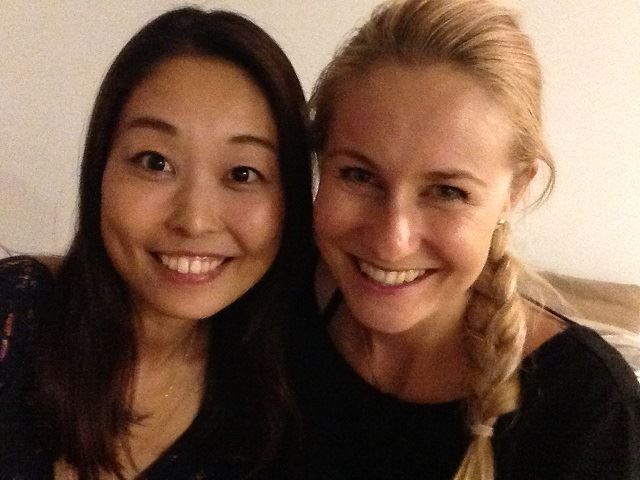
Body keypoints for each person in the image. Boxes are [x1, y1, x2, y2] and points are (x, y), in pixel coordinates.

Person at [290, 0, 640, 479]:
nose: (393, 241)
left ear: (514, 192)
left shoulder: (588, 409)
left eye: (448, 192)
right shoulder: (269, 310)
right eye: (359, 175)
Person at [0, 7, 315, 480]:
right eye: (155, 162)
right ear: (101, 168)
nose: (194, 220)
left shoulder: (283, 398)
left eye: (243, 173)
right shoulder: (15, 318)